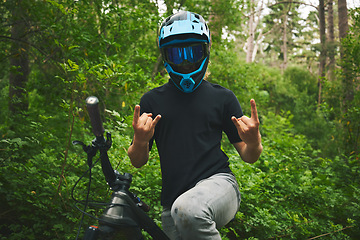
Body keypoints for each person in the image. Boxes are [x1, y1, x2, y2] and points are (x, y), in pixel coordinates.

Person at [127, 11, 262, 240]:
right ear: (165, 56)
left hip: (220, 186)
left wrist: (254, 141)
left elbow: (249, 156)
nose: (186, 61)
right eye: (177, 54)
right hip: (172, 205)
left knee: (189, 209)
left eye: (193, 52)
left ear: (206, 50)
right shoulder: (151, 101)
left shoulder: (223, 98)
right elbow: (138, 161)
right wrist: (140, 140)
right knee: (184, 210)